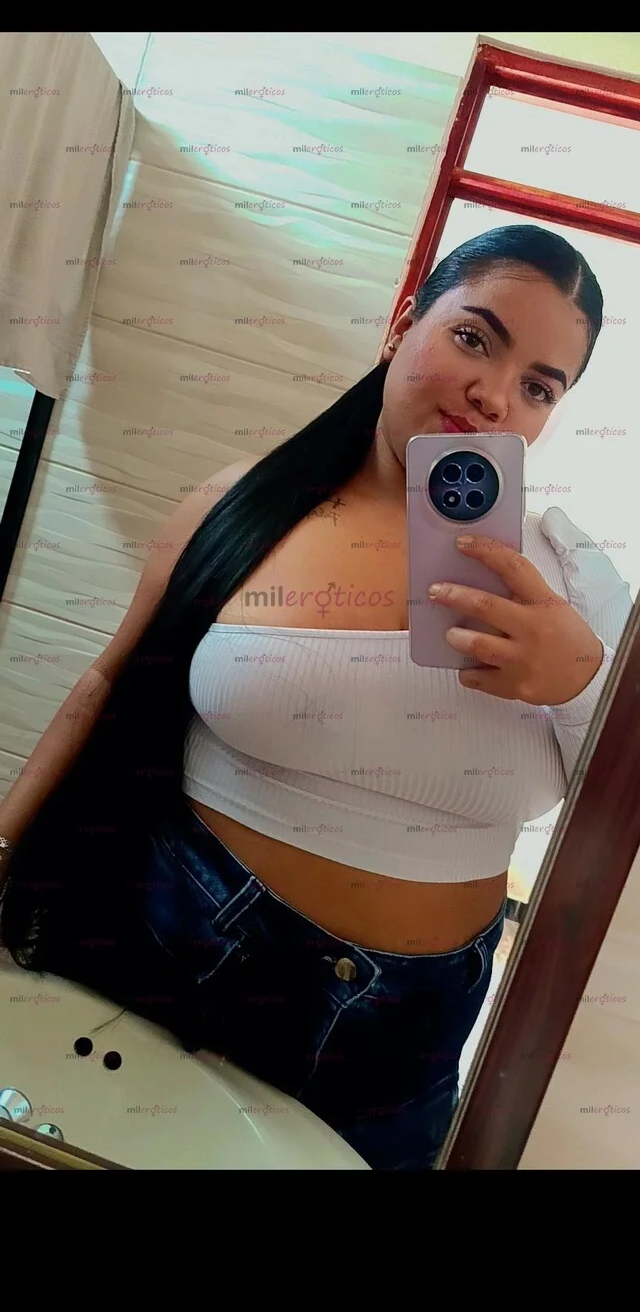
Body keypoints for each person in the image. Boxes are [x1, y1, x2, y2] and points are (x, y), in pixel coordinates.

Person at [0, 224, 633, 1170]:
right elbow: (105, 686)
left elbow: (625, 823)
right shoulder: (244, 504)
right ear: (402, 323)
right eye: (474, 337)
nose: (494, 395)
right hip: (175, 950)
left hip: (405, 1039)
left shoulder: (573, 580)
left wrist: (581, 681)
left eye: (539, 386)